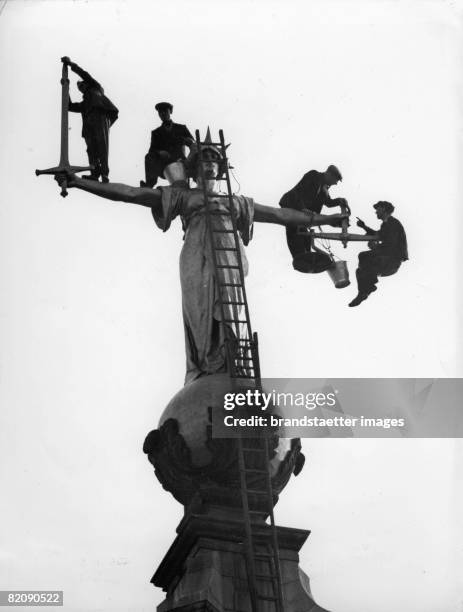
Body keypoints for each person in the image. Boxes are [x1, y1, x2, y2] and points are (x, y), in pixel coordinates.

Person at [54, 144, 347, 383]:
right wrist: (81, 183)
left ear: (221, 168)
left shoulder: (237, 202)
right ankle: (208, 368)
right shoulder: (183, 196)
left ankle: (229, 362)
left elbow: (282, 215)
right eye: (203, 159)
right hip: (196, 256)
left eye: (215, 159)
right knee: (201, 312)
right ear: (194, 168)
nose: (209, 164)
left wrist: (326, 219)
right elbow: (132, 194)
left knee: (230, 309)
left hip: (228, 256)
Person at [279, 165, 349, 272]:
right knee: (294, 231)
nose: (335, 184)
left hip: (303, 213)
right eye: (335, 181)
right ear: (329, 174)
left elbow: (328, 203)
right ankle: (300, 259)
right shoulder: (313, 175)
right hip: (292, 205)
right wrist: (302, 208)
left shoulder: (324, 188)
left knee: (305, 237)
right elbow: (299, 192)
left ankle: (305, 258)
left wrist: (340, 200)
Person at [62, 57, 119, 183]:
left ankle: (104, 173)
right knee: (91, 149)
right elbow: (69, 106)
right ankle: (95, 173)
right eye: (79, 87)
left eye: (82, 84)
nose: (81, 87)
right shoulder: (84, 104)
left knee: (102, 145)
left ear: (86, 83)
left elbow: (84, 74)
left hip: (100, 117)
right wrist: (66, 88)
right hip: (88, 124)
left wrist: (72, 65)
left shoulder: (96, 88)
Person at [349, 201, 408, 307]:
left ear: (384, 209)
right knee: (360, 269)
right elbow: (377, 235)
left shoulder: (393, 224)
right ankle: (363, 293)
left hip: (392, 261)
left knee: (364, 257)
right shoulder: (386, 224)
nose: (376, 212)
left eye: (378, 209)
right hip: (385, 260)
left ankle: (370, 285)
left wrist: (375, 247)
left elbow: (391, 245)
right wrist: (364, 227)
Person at [140, 102, 193, 188]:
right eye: (160, 112)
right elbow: (152, 150)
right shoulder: (156, 132)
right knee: (149, 157)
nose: (163, 114)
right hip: (164, 164)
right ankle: (149, 184)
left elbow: (192, 144)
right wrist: (160, 152)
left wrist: (185, 140)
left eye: (165, 111)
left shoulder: (181, 128)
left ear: (170, 111)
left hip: (180, 162)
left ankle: (200, 181)